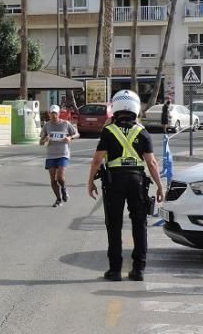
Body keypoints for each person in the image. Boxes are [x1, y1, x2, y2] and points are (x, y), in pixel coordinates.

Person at [87, 89, 165, 282]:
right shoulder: (142, 132)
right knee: (139, 224)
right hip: (137, 181)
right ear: (136, 107)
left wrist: (90, 181)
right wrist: (160, 186)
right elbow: (152, 163)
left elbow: (97, 160)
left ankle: (115, 270)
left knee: (114, 225)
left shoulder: (108, 131)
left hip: (114, 181)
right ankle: (138, 269)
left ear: (115, 107)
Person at [40, 104, 79, 207]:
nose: (53, 116)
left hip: (63, 154)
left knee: (60, 177)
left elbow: (76, 134)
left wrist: (70, 138)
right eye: (52, 113)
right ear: (49, 114)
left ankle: (64, 189)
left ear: (59, 114)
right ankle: (58, 199)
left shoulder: (65, 124)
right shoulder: (47, 125)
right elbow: (40, 142)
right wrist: (45, 140)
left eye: (55, 113)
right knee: (53, 179)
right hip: (51, 155)